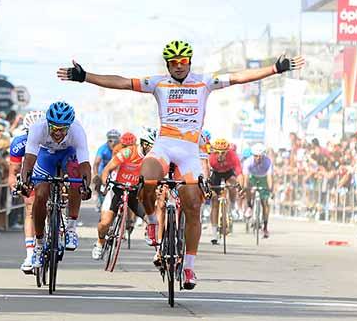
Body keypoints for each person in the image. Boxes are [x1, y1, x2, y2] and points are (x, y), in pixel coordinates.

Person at [57, 40, 304, 289]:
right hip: (164, 146)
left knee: (193, 205)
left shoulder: (204, 82)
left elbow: (240, 77)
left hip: (189, 153)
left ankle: (188, 267)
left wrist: (276, 68)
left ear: (189, 62)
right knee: (146, 179)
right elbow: (121, 82)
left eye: (182, 61)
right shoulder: (158, 83)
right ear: (167, 64)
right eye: (173, 62)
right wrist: (85, 76)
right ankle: (153, 222)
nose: (178, 66)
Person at [19, 101, 91, 268]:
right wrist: (25, 181)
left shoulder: (77, 131)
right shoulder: (38, 128)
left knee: (76, 179)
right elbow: (28, 160)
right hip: (46, 156)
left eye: (62, 129)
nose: (58, 132)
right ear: (48, 124)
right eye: (54, 128)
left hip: (68, 154)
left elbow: (84, 163)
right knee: (41, 194)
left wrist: (85, 185)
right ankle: (38, 245)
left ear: (69, 126)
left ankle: (71, 228)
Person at [92, 128, 156, 260]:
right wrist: (105, 183)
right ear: (144, 144)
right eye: (152, 146)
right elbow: (107, 168)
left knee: (151, 218)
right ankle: (99, 242)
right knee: (105, 223)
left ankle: (147, 234)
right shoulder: (128, 151)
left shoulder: (152, 157)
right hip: (117, 189)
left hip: (133, 191)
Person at [8, 110, 45, 274]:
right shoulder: (19, 142)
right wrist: (15, 186)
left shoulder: (52, 141)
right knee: (30, 209)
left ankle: (58, 225)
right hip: (30, 176)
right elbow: (13, 172)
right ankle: (30, 254)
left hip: (48, 174)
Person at [208, 138, 243, 244]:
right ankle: (214, 233)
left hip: (228, 173)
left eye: (223, 153)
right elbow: (206, 173)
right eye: (217, 152)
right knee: (214, 201)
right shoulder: (211, 158)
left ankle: (232, 205)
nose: (220, 155)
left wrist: (240, 186)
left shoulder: (232, 155)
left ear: (227, 151)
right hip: (215, 174)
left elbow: (239, 173)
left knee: (233, 183)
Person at [243, 143, 274, 239]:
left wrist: (270, 188)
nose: (258, 158)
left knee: (264, 202)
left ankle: (265, 227)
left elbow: (269, 177)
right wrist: (245, 187)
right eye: (256, 156)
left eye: (260, 156)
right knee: (247, 188)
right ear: (253, 155)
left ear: (263, 155)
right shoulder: (248, 162)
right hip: (252, 177)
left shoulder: (268, 162)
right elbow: (246, 178)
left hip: (263, 178)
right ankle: (249, 206)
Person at [93, 129, 121, 212]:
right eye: (110, 140)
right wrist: (96, 174)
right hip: (104, 169)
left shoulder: (120, 148)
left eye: (115, 141)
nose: (112, 143)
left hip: (115, 169)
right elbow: (96, 163)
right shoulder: (103, 148)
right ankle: (100, 198)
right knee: (99, 180)